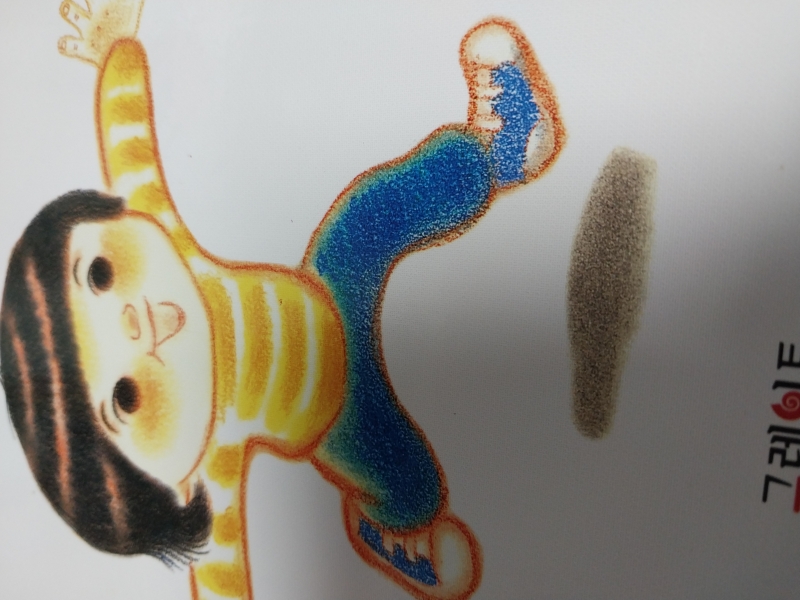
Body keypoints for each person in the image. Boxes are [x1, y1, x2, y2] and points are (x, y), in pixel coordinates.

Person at [0, 2, 565, 599]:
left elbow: (128, 143)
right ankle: (390, 530)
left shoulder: (160, 231)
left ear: (109, 219)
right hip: (341, 420)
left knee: (374, 210)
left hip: (334, 283)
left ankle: (501, 150)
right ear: (169, 493)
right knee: (409, 484)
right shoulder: (210, 473)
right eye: (126, 397)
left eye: (98, 273)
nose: (132, 324)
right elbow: (222, 582)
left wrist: (115, 47)